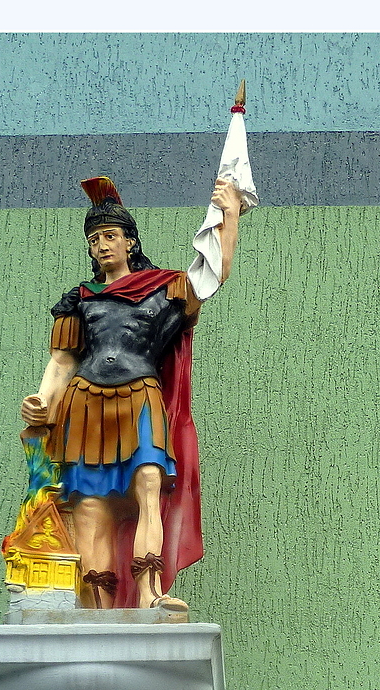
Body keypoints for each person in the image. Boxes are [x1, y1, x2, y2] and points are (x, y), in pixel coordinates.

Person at [21, 176, 242, 611]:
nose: (101, 246)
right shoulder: (79, 300)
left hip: (140, 397)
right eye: (94, 240)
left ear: (129, 242)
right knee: (91, 507)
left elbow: (211, 273)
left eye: (109, 236)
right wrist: (42, 402)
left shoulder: (162, 289)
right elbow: (62, 361)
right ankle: (97, 607)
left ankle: (148, 592)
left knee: (148, 487)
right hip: (85, 405)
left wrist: (230, 214)